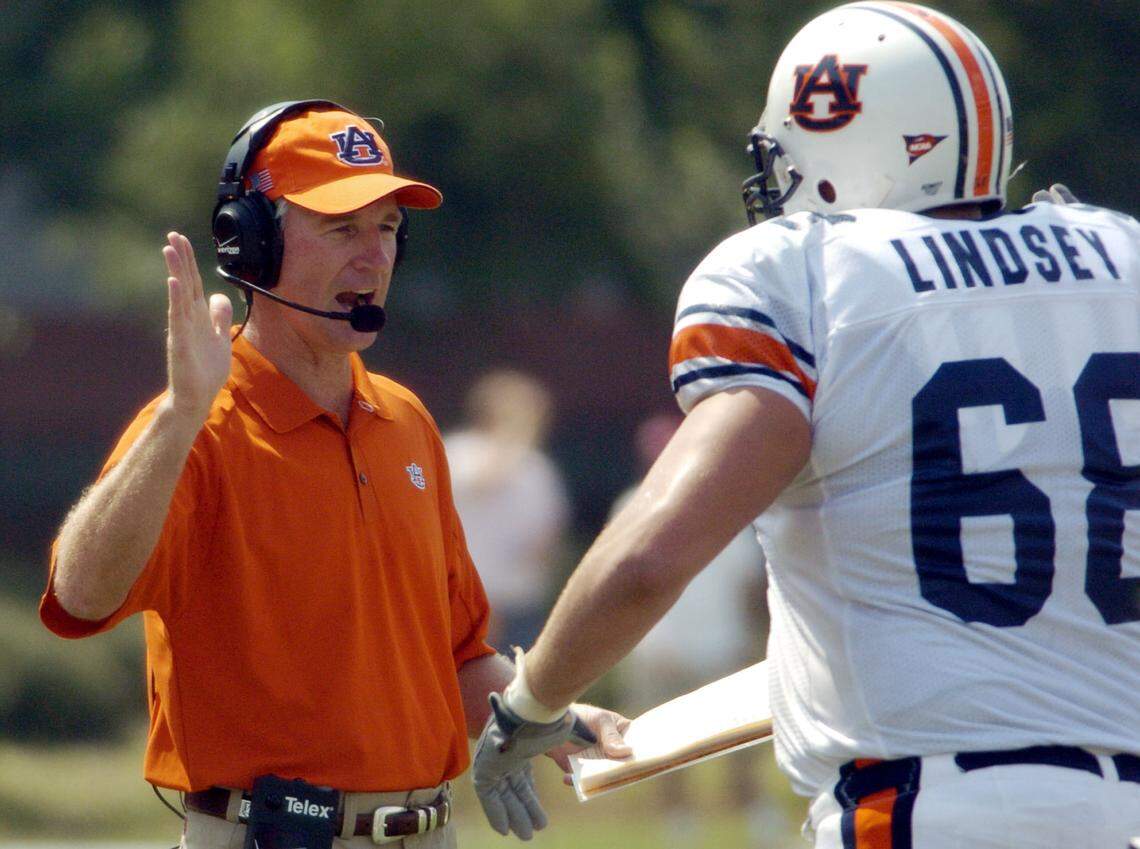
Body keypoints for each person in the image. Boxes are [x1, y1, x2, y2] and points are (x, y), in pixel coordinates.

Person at [471, 4, 1140, 848]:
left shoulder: (813, 278)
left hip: (927, 804)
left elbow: (651, 556)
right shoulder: (1116, 262)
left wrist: (532, 700)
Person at [39, 100, 626, 849]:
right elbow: (78, 597)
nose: (374, 256)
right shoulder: (198, 424)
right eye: (342, 227)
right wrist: (179, 416)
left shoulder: (406, 421)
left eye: (386, 228)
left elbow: (453, 661)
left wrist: (547, 712)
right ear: (251, 244)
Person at [613, 413, 784, 846]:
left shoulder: (725, 507)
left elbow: (748, 581)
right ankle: (680, 828)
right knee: (661, 751)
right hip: (659, 647)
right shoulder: (634, 504)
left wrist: (754, 636)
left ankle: (759, 821)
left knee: (741, 751)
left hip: (719, 642)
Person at [444, 369, 570, 653]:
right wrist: (514, 438)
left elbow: (548, 535)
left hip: (520, 603)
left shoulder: (537, 467)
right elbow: (486, 478)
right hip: (467, 601)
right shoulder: (459, 452)